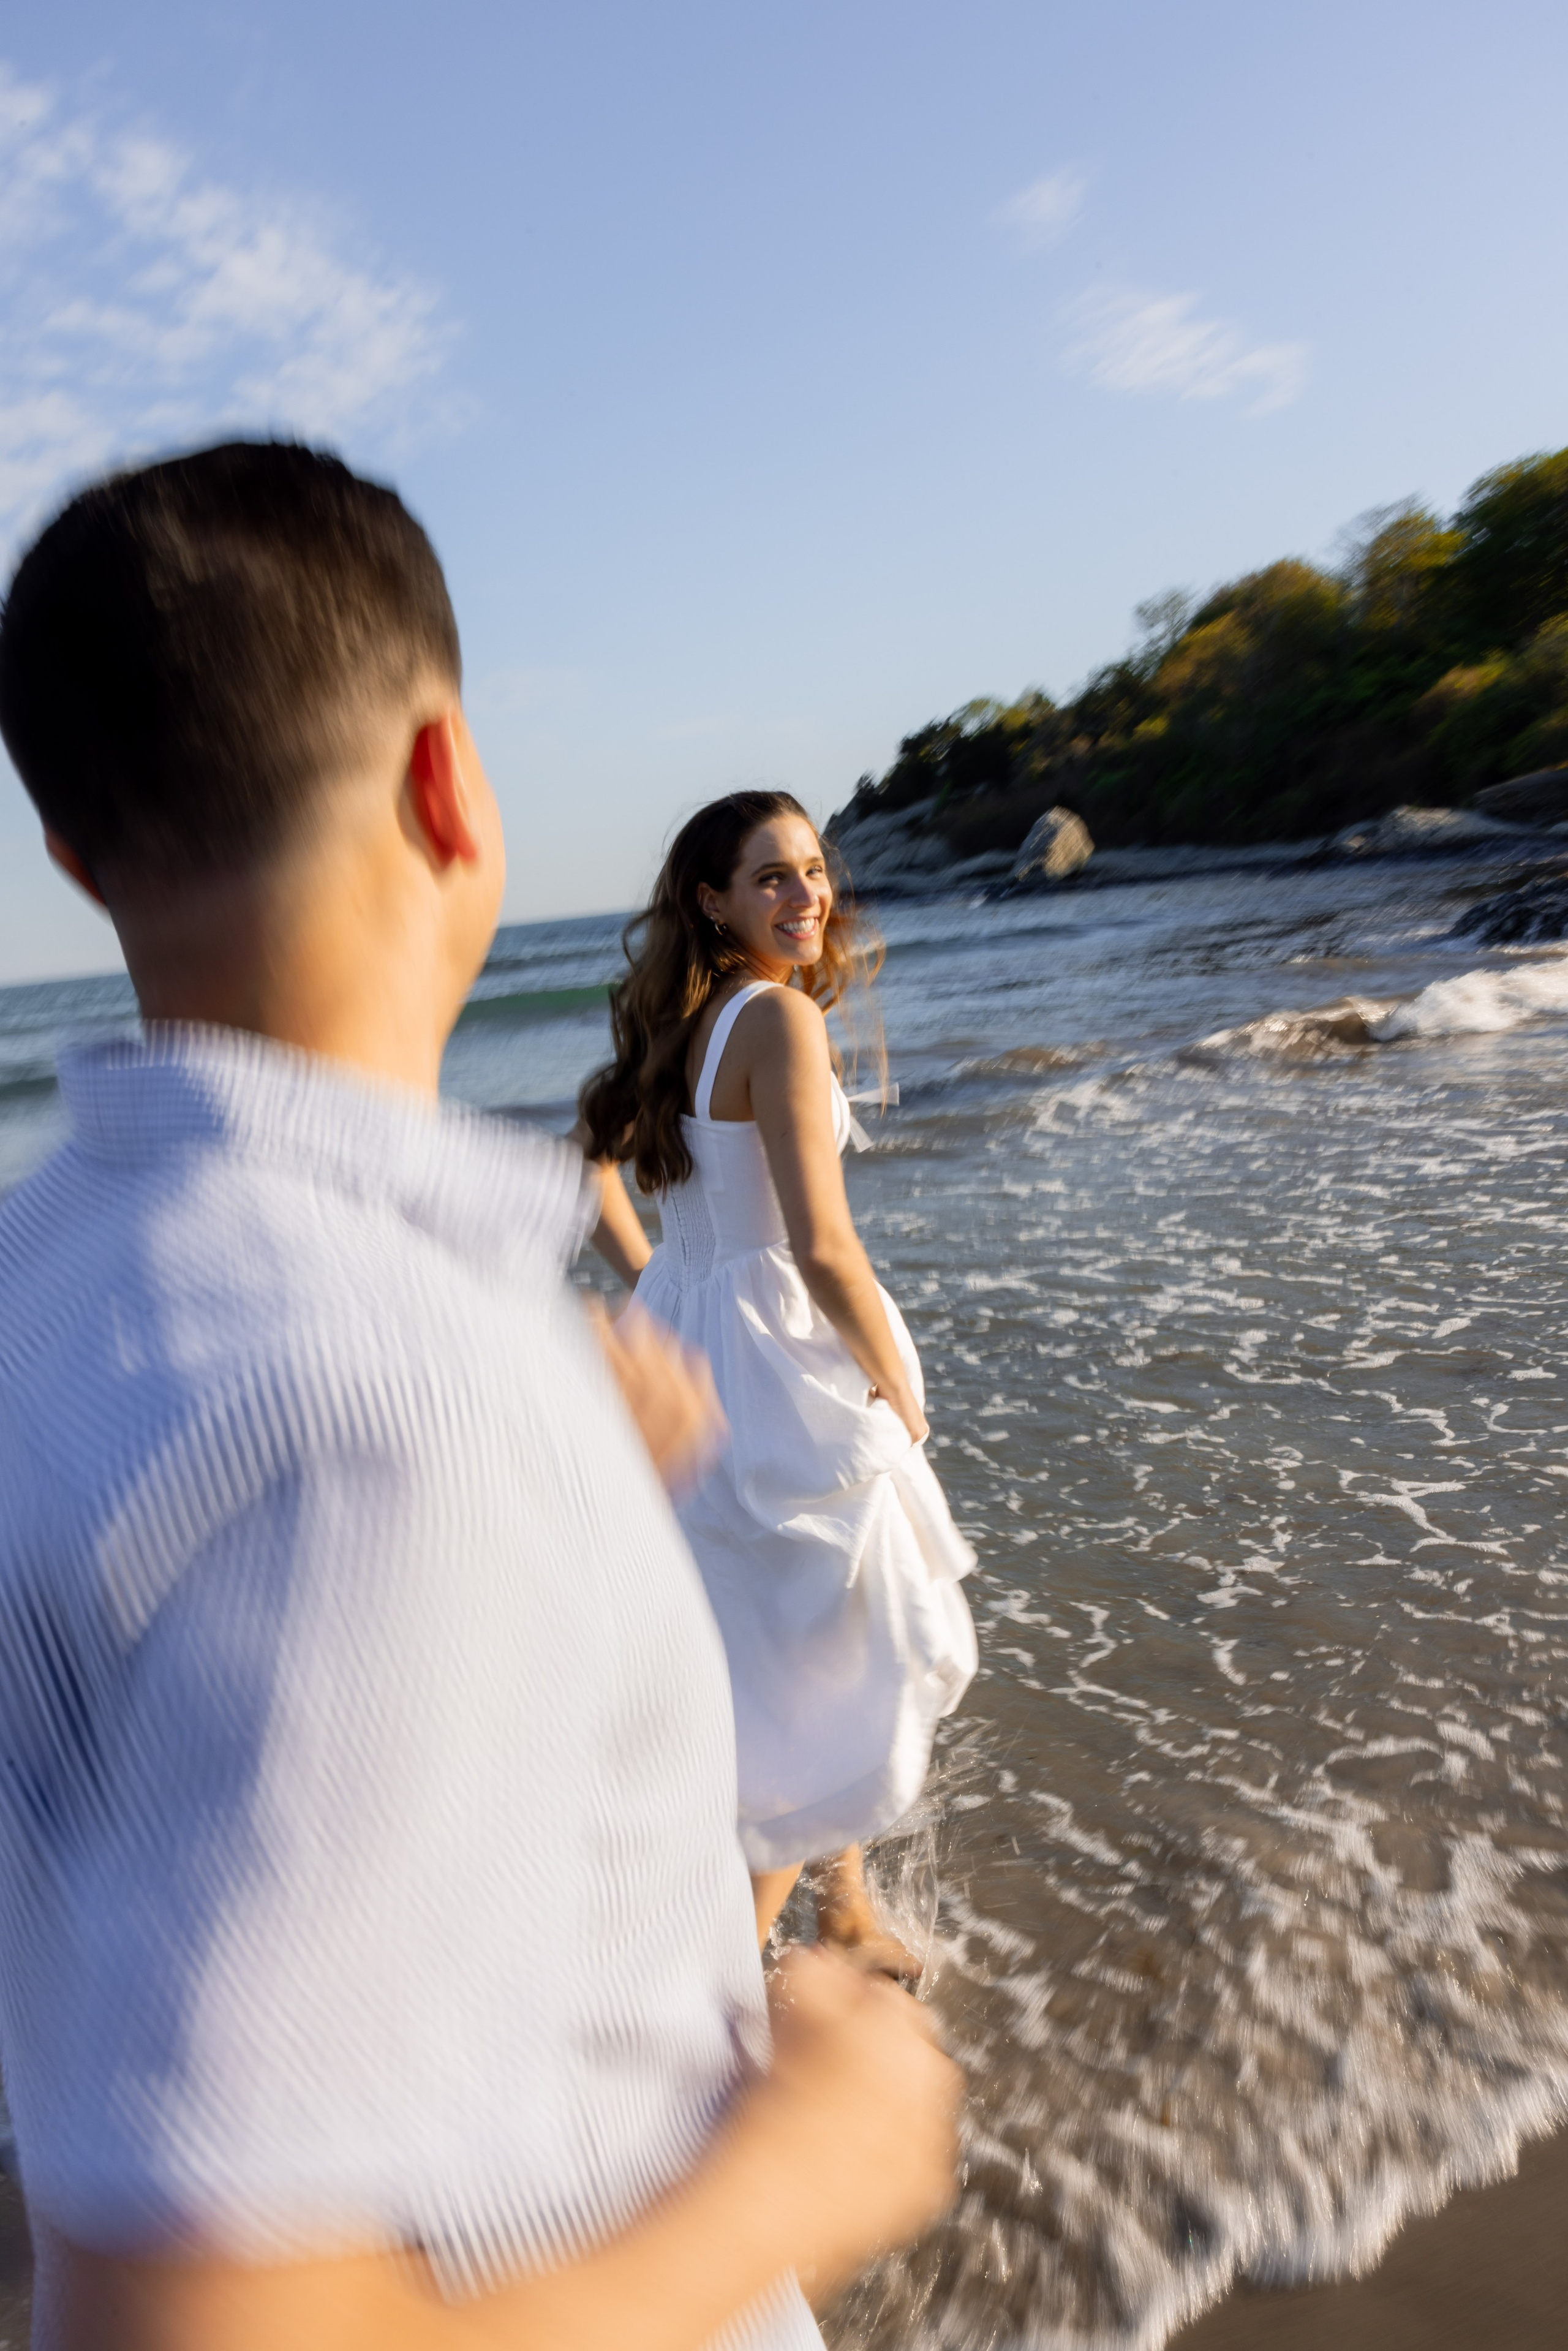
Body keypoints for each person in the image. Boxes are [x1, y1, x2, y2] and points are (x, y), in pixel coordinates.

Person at [0, 444, 959, 2351]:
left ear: (80, 858)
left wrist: (540, 1514)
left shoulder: (54, 1286)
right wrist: (802, 2167)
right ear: (448, 780)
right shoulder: (389, 1401)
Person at [578, 793, 978, 1965]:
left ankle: (843, 1913)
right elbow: (823, 1249)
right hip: (783, 1366)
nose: (807, 896)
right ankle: (719, 2013)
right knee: (832, 1658)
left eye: (813, 872)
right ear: (713, 900)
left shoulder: (681, 1027)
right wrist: (900, 1390)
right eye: (772, 879)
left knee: (796, 1649)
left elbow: (587, 1175)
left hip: (695, 1352)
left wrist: (673, 1279)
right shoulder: (779, 1026)